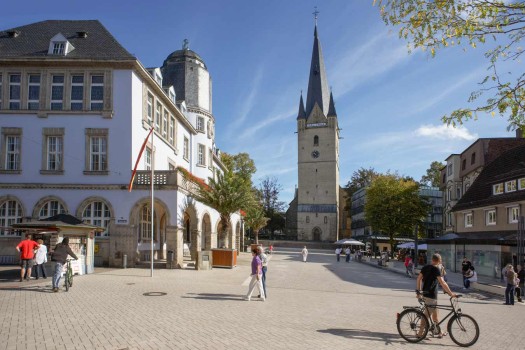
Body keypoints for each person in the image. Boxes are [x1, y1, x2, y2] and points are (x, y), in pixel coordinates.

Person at [416, 253, 456, 338]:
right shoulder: (436, 269)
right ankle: (420, 333)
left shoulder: (425, 267)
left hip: (426, 294)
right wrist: (451, 293)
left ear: (432, 259)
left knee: (435, 315)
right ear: (439, 260)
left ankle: (439, 331)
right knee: (425, 316)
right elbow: (443, 282)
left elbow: (418, 279)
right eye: (440, 260)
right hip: (431, 296)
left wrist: (419, 292)